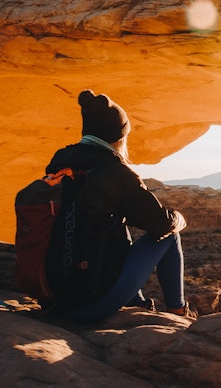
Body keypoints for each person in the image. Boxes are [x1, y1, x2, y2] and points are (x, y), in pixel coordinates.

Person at [41, 89, 192, 323]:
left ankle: (137, 303)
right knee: (170, 236)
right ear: (119, 136)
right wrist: (180, 218)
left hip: (51, 297)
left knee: (114, 229)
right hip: (89, 303)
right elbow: (161, 225)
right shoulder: (115, 172)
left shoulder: (60, 163)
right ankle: (178, 311)